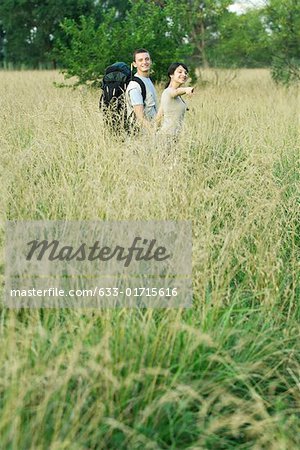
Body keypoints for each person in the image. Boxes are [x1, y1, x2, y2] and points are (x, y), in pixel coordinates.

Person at [157, 62, 194, 138]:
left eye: (185, 73)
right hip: (166, 136)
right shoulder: (168, 91)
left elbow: (159, 116)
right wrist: (186, 89)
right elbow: (175, 92)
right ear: (171, 75)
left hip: (173, 137)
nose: (184, 75)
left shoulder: (177, 96)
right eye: (180, 72)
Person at [126, 48, 158, 132]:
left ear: (151, 61)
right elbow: (140, 117)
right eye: (140, 60)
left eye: (147, 59)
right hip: (142, 136)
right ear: (134, 64)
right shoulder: (135, 86)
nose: (144, 62)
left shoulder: (147, 80)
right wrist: (154, 131)